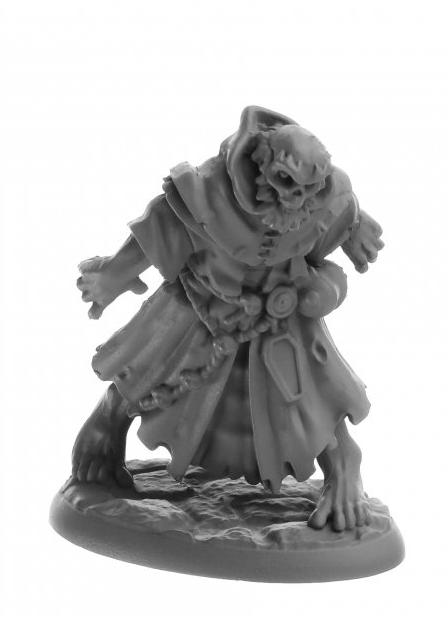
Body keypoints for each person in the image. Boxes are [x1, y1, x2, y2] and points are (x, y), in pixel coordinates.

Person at [72, 106, 384, 531]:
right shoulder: (210, 192)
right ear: (261, 166)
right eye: (285, 182)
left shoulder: (327, 199)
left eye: (307, 189)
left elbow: (337, 224)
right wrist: (113, 275)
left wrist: (351, 238)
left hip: (279, 314)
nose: (294, 199)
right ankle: (105, 428)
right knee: (151, 369)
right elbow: (159, 230)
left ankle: (344, 468)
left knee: (307, 399)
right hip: (202, 302)